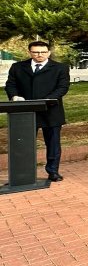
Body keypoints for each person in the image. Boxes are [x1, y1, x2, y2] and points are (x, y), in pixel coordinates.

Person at [4, 40, 69, 182]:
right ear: (29, 52)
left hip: (50, 111)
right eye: (36, 52)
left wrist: (47, 100)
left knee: (53, 144)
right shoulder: (18, 67)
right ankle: (21, 174)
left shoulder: (60, 68)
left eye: (43, 52)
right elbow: (11, 85)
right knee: (22, 144)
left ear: (49, 53)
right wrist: (14, 96)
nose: (40, 55)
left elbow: (62, 88)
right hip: (24, 112)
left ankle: (53, 171)